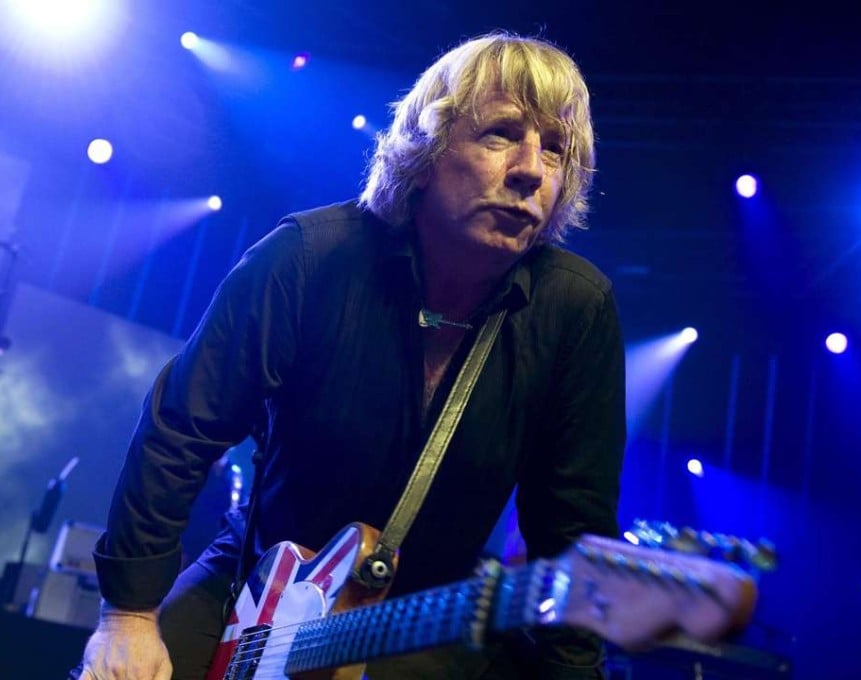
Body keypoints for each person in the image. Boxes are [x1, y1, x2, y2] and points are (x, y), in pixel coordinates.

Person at [78, 31, 625, 680]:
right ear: (427, 147)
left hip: (421, 616)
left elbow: (572, 531)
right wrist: (129, 617)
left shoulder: (576, 310)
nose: (533, 169)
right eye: (501, 133)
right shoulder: (308, 258)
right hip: (257, 582)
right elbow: (180, 430)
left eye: (556, 149)